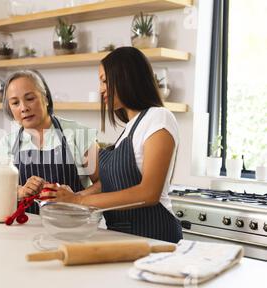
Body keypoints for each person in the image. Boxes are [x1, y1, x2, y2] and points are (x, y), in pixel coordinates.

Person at [43, 47, 183, 243]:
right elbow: (109, 185)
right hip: (123, 236)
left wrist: (79, 200)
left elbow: (148, 193)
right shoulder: (129, 128)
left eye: (104, 81)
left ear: (126, 77)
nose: (101, 90)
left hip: (155, 236)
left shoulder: (159, 117)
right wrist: (70, 198)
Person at [0, 69, 99, 214]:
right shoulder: (7, 144)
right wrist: (19, 191)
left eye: (30, 98)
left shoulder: (79, 135)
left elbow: (104, 183)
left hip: (71, 229)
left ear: (45, 98)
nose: (24, 108)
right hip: (22, 231)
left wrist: (75, 198)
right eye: (15, 103)